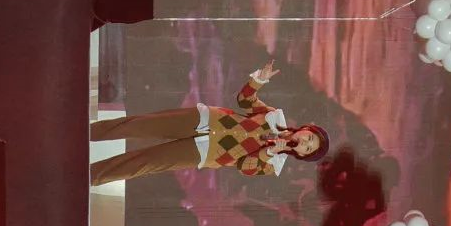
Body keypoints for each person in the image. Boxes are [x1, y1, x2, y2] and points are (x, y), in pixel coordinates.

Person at [89, 61, 329, 187]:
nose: (304, 143)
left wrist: (270, 151)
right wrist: (258, 81)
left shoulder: (273, 164)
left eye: (307, 148)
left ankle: (88, 177)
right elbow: (245, 100)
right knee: (139, 126)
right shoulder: (273, 117)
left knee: (146, 162)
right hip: (204, 119)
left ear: (301, 155)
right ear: (305, 129)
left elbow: (244, 167)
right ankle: (83, 133)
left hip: (204, 152)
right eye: (309, 138)